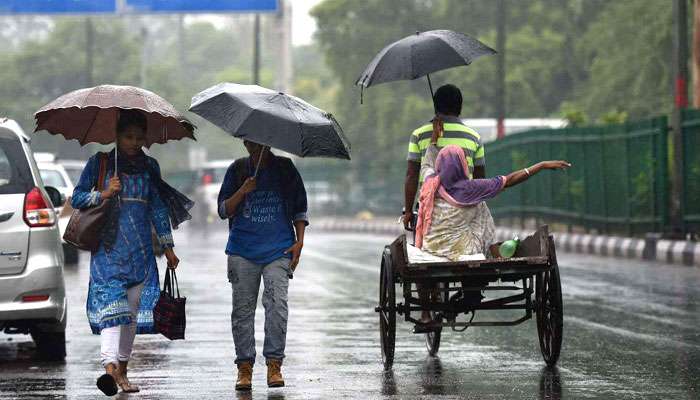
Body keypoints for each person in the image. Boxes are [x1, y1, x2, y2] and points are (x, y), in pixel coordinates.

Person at [71, 110, 192, 396]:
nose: (134, 142)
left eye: (140, 137)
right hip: (108, 251)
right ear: (117, 135)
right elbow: (76, 197)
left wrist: (169, 247)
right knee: (114, 311)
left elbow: (158, 209)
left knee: (132, 315)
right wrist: (102, 193)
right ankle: (109, 368)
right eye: (128, 137)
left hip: (141, 253)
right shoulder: (99, 163)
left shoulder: (150, 167)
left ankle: (122, 371)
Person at [413, 118, 570, 324]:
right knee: (480, 205)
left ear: (440, 167)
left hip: (432, 248)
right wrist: (540, 166)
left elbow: (426, 162)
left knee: (475, 206)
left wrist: (434, 140)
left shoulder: (430, 181)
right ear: (462, 166)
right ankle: (490, 252)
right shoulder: (472, 188)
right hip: (465, 250)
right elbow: (510, 180)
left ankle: (438, 307)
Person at [217, 140, 308, 391]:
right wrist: (243, 191)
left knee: (277, 305)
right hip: (242, 251)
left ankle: (274, 364)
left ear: (269, 141)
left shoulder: (285, 168)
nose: (255, 146)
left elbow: (300, 208)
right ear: (245, 142)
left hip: (278, 250)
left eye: (261, 142)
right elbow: (224, 210)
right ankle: (244, 368)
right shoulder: (237, 169)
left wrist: (299, 242)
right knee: (242, 311)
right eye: (250, 142)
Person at [404, 84, 485, 230]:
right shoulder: (474, 138)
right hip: (464, 209)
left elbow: (412, 175)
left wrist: (408, 211)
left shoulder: (419, 135)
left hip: (428, 210)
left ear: (436, 106)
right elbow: (480, 180)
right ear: (460, 107)